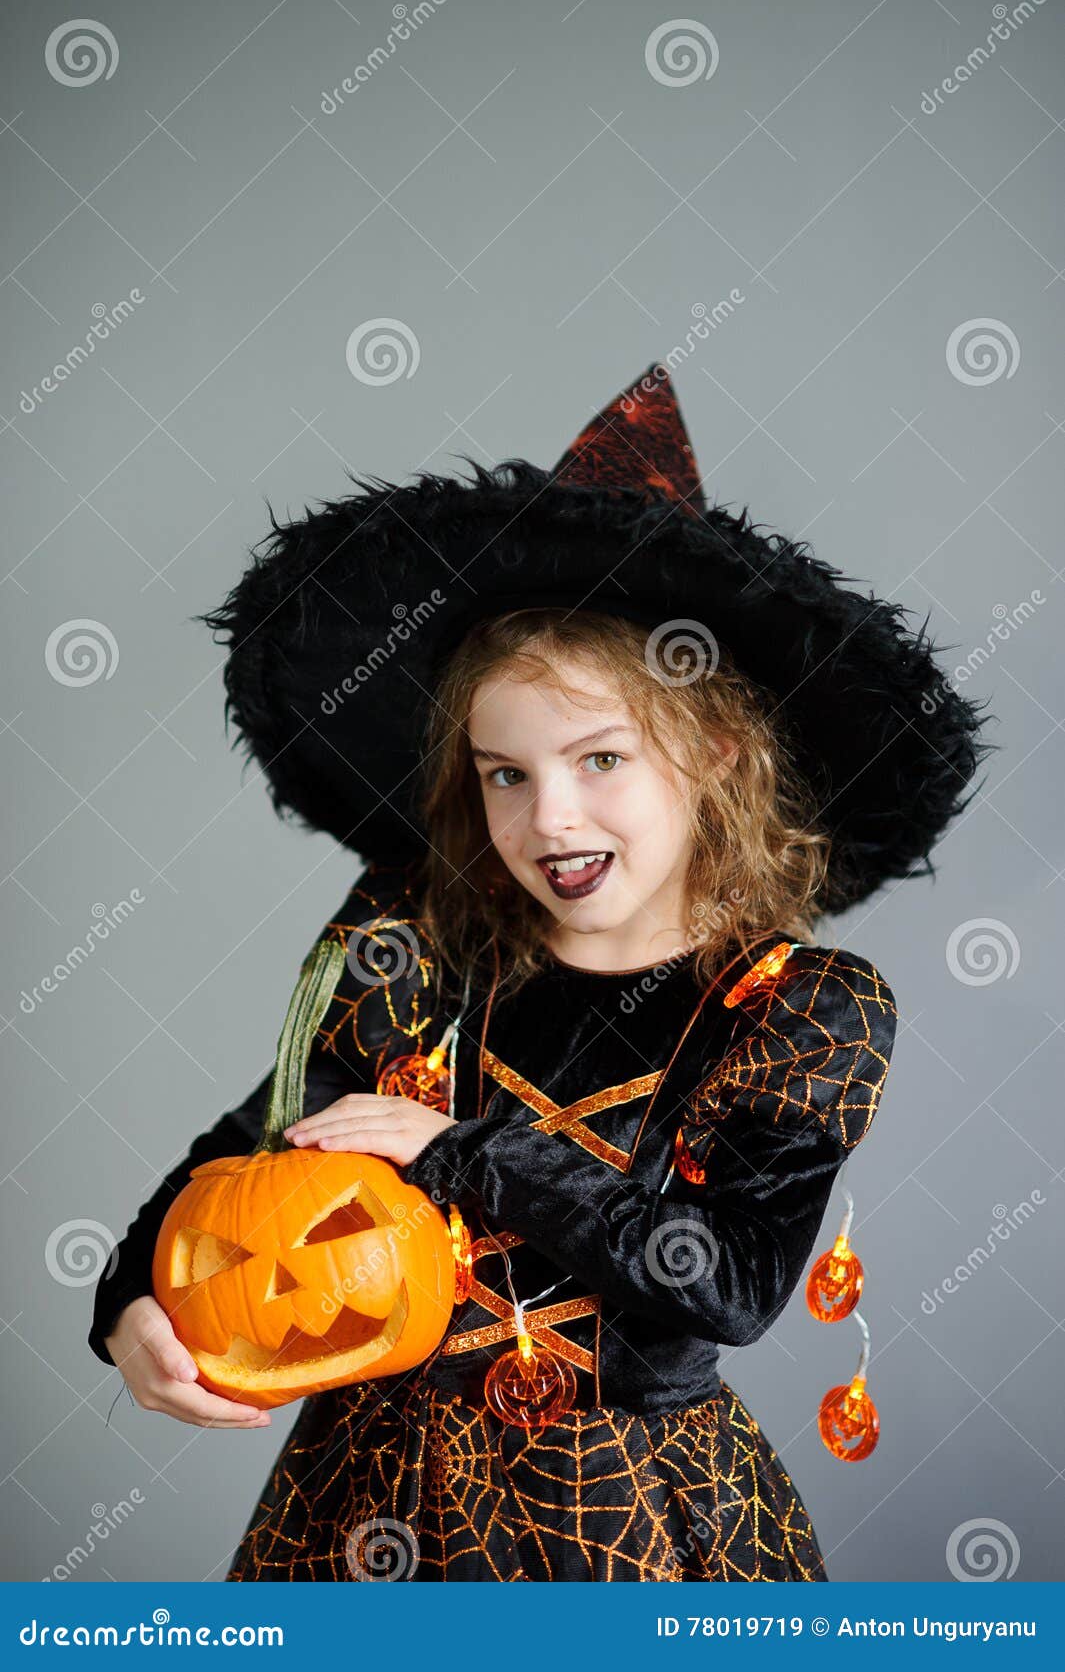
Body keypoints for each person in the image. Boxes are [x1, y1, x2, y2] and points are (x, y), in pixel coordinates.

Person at [88, 365, 992, 1581]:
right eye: (504, 772)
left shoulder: (797, 1007)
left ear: (714, 750)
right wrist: (129, 1310)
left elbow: (722, 1282)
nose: (548, 814)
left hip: (633, 1514)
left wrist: (455, 1149)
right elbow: (253, 1150)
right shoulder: (419, 951)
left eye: (600, 756)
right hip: (367, 1506)